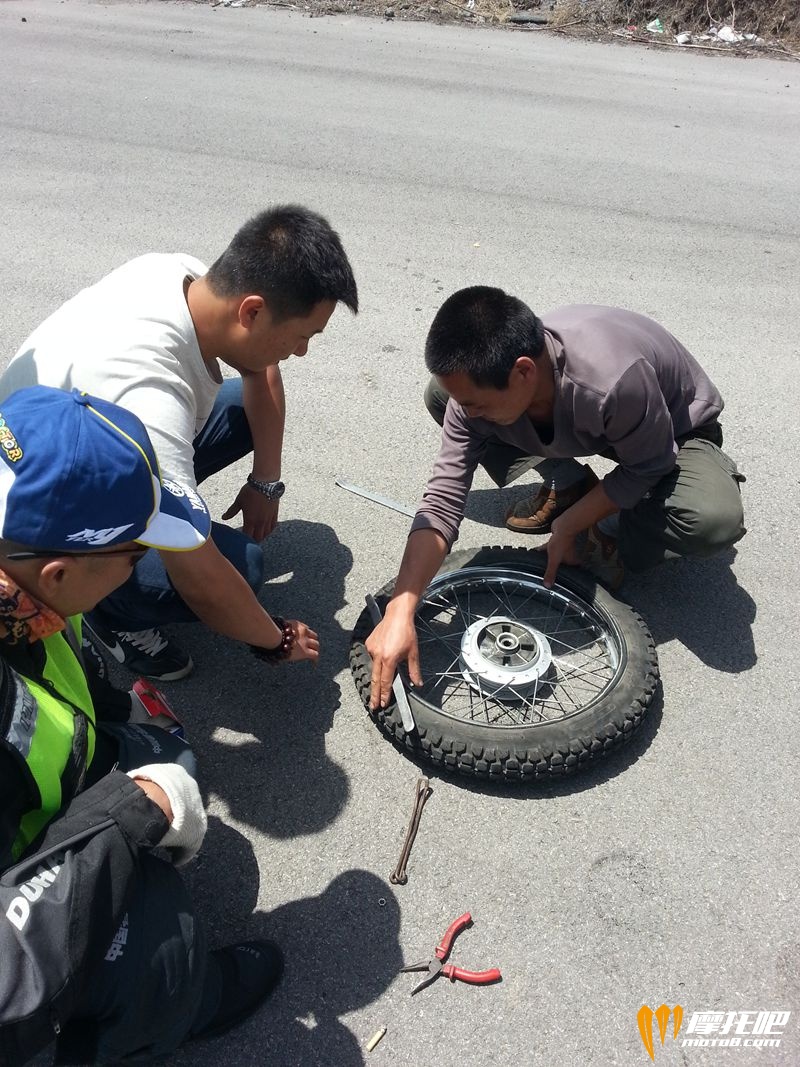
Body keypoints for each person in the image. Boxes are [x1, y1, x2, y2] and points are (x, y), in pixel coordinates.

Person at [0, 386, 285, 1066]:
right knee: (160, 936)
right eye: (133, 559)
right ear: (62, 569)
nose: (140, 571)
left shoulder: (23, 586)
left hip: (28, 806)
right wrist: (129, 812)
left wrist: (118, 706)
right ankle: (180, 1003)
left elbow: (51, 655)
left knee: (165, 749)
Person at [0, 205, 358, 681]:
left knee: (235, 405)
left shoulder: (178, 275)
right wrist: (275, 640)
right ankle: (112, 619)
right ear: (252, 311)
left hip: (65, 448)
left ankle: (155, 525)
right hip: (35, 527)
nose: (301, 351)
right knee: (241, 567)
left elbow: (261, 367)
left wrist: (265, 483)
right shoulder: (151, 400)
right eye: (301, 336)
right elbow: (203, 582)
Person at [366, 287, 746, 709]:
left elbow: (649, 465)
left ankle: (614, 527)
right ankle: (569, 483)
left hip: (670, 433)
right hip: (586, 421)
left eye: (475, 403)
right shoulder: (486, 395)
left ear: (524, 372)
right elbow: (442, 500)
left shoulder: (613, 380)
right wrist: (402, 607)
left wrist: (575, 524)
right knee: (441, 398)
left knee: (710, 519)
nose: (466, 414)